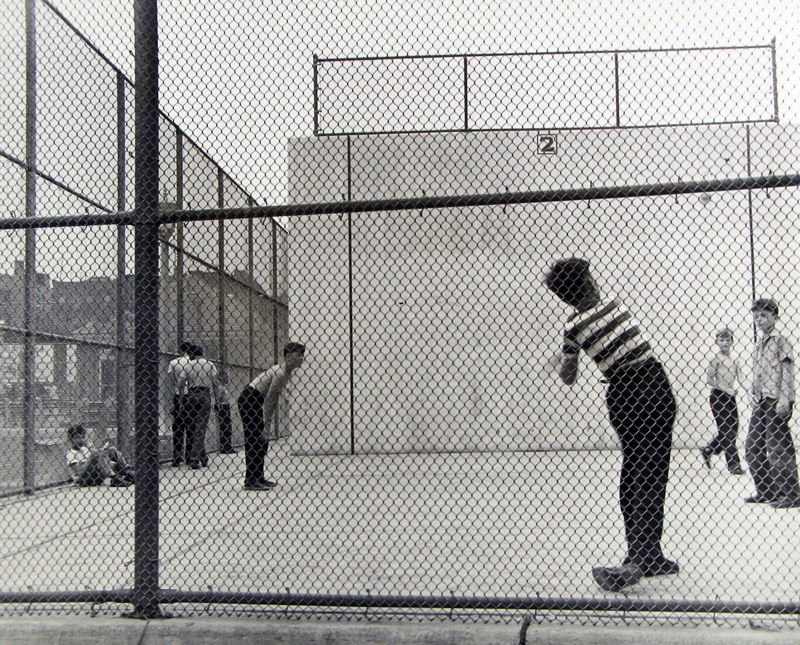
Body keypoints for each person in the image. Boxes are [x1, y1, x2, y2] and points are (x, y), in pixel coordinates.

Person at [544, 258, 678, 592]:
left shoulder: (572, 329)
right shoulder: (614, 306)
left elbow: (569, 378)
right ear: (588, 283)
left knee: (633, 472)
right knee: (652, 472)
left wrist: (562, 360)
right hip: (651, 384)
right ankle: (644, 557)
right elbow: (635, 347)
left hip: (620, 392)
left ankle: (645, 554)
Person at [744, 298, 800, 509]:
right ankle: (767, 490)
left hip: (777, 398)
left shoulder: (780, 341)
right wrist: (754, 393)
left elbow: (787, 371)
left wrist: (785, 398)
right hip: (761, 400)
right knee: (752, 446)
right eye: (756, 316)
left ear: (775, 317)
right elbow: (758, 373)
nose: (760, 320)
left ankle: (791, 493)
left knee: (777, 446)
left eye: (764, 316)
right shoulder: (760, 343)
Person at [238, 342, 305, 491]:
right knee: (255, 440)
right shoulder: (280, 372)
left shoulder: (286, 372)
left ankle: (258, 476)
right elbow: (270, 400)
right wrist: (266, 426)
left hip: (256, 401)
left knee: (261, 442)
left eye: (302, 355)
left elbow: (272, 400)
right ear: (287, 356)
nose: (301, 358)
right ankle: (251, 480)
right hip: (250, 399)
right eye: (298, 355)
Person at [700, 328, 746, 475]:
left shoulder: (735, 359)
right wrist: (726, 389)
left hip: (730, 398)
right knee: (727, 431)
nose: (725, 343)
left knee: (733, 429)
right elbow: (709, 380)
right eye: (722, 340)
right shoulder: (716, 359)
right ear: (717, 342)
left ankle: (709, 449)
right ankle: (734, 465)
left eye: (728, 340)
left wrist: (749, 391)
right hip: (718, 397)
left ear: (732, 341)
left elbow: (741, 377)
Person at [178, 344, 219, 470]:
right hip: (204, 394)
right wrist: (217, 400)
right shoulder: (209, 364)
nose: (188, 355)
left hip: (191, 395)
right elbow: (215, 383)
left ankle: (203, 457)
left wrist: (180, 401)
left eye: (189, 353)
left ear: (193, 353)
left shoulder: (187, 365)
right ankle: (195, 458)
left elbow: (180, 384)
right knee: (200, 428)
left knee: (193, 427)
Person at [65, 424, 134, 487]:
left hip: (98, 476)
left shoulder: (85, 449)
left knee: (111, 450)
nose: (81, 440)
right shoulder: (70, 453)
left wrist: (106, 460)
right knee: (97, 454)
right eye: (77, 438)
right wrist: (93, 455)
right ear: (71, 439)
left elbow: (99, 462)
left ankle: (128, 473)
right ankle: (115, 478)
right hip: (84, 480)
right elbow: (79, 470)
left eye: (83, 437)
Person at [167, 341, 193, 467]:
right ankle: (189, 456)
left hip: (178, 395)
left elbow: (172, 381)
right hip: (191, 394)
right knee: (191, 426)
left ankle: (177, 456)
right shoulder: (194, 363)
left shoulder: (173, 363)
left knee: (178, 426)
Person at [215, 371, 237, 454]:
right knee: (225, 427)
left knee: (228, 428)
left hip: (226, 406)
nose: (227, 379)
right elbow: (219, 398)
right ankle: (225, 447)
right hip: (223, 406)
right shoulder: (220, 387)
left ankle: (228, 446)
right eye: (226, 377)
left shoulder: (224, 386)